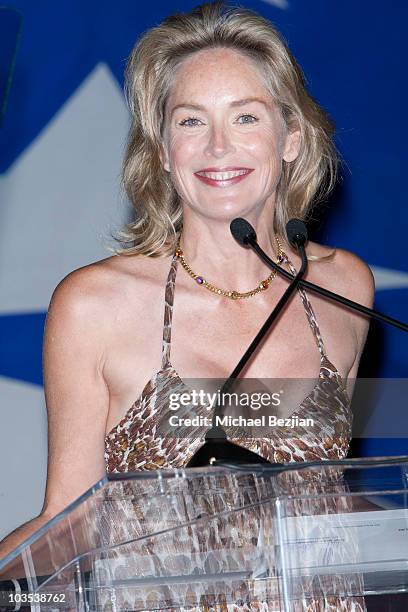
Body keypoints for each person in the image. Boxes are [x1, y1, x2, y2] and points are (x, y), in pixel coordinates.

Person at [0, 1, 374, 608]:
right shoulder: (95, 304)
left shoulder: (345, 290)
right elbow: (66, 529)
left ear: (292, 139)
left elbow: (325, 495)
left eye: (246, 117)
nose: (218, 147)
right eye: (191, 121)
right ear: (163, 149)